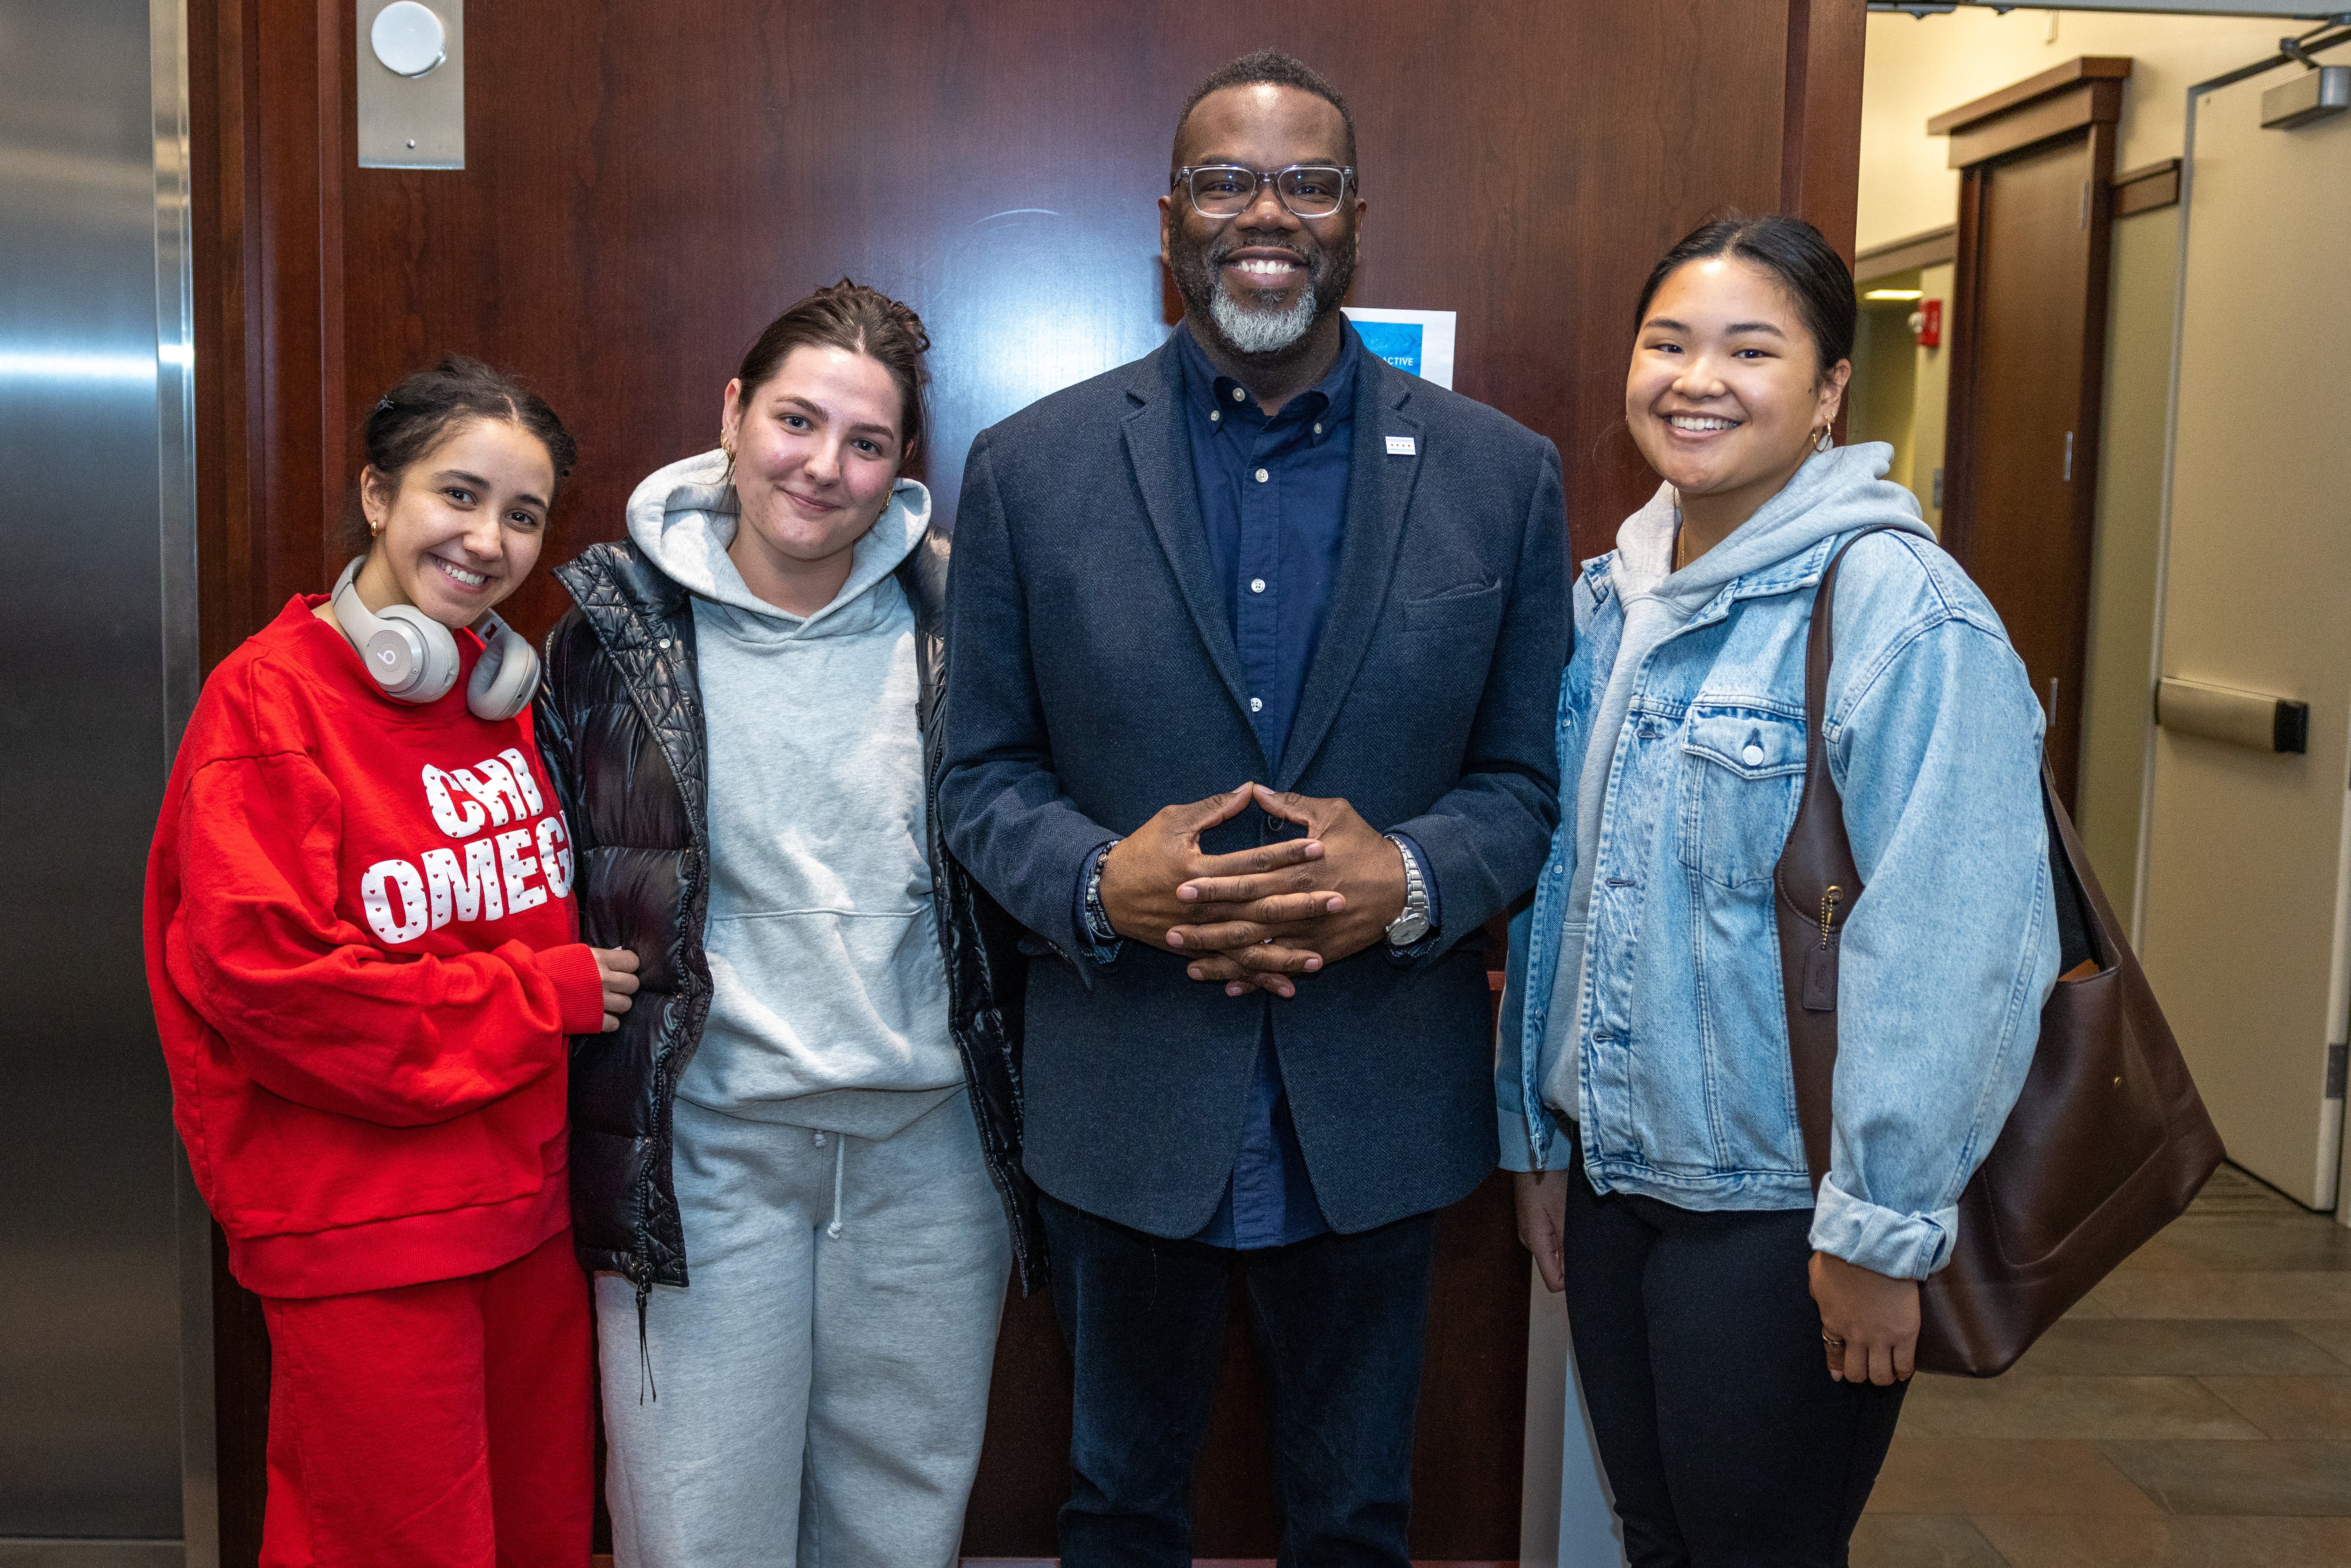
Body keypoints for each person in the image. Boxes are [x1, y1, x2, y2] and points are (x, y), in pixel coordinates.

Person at [938, 50, 1569, 1565]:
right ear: (1170, 219)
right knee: (1115, 1505)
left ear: (1354, 218)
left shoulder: (1501, 473)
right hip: (1125, 1091)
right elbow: (977, 779)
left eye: (1306, 181)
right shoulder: (1031, 469)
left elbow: (1526, 788)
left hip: (1377, 1099)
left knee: (1357, 1515)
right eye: (1226, 180)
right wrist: (1101, 884)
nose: (1264, 212)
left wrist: (1409, 882)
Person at [1501, 213, 2061, 1566]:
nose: (1698, 379)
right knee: (1657, 1539)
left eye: (1750, 349)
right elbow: (1566, 892)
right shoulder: (1608, 599)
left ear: (1824, 396)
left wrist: (1877, 1230)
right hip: (1619, 1184)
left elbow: (1957, 941)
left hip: (1780, 1205)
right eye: (1668, 343)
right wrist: (1539, 1135)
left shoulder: (1895, 606)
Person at [535, 280, 1033, 1568]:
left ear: (901, 467)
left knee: (899, 1526)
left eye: (866, 443)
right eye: (796, 422)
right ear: (732, 414)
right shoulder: (608, 635)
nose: (822, 468)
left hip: (928, 1166)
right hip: (703, 1158)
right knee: (697, 1530)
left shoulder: (969, 628)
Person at [144, 358, 633, 1567]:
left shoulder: (497, 699)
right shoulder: (265, 707)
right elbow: (273, 989)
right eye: (455, 495)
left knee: (534, 1538)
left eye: (522, 515)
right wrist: (545, 995)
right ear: (377, 494)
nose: (487, 540)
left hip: (520, 1219)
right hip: (361, 1235)